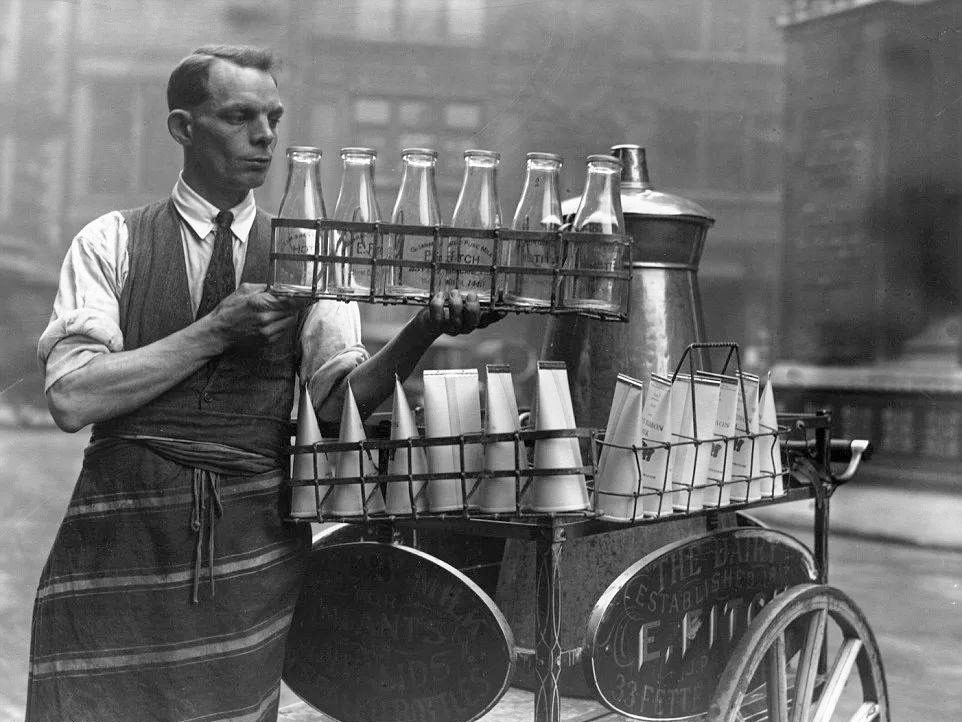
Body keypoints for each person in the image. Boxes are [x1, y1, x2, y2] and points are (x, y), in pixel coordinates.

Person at [26, 45, 501, 722]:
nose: (266, 135)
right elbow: (72, 398)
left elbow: (339, 404)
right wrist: (215, 332)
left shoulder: (311, 253)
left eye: (273, 117)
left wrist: (423, 329)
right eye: (240, 115)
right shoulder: (111, 242)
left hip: (251, 563)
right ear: (183, 129)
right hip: (116, 554)